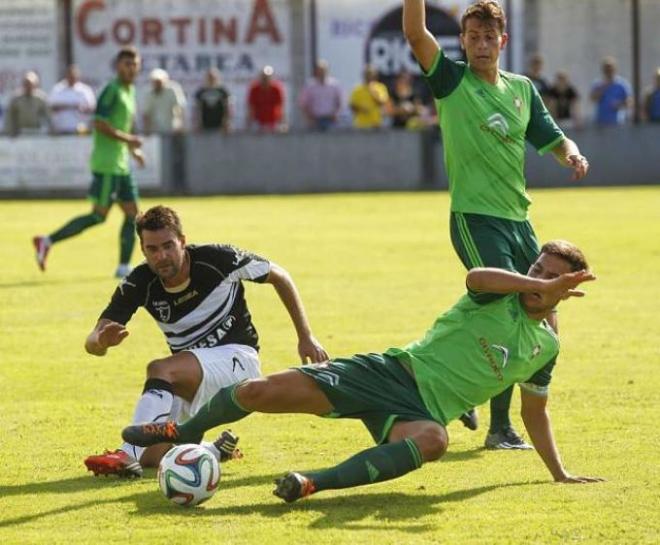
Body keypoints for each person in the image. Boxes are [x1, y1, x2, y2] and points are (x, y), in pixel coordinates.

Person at [123, 240, 604, 502]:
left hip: (420, 413)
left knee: (435, 442)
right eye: (538, 269)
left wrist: (558, 473)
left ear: (570, 291)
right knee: (256, 392)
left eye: (550, 276)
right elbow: (475, 276)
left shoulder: (545, 347)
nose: (539, 280)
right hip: (388, 372)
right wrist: (533, 280)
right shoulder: (499, 292)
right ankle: (181, 429)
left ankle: (311, 482)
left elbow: (535, 412)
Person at [402, 0, 590, 449]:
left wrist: (572, 154)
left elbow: (553, 136)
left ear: (502, 41)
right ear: (462, 42)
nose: (482, 45)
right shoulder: (451, 81)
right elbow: (415, 33)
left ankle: (463, 386)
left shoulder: (522, 89)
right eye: (473, 37)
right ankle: (499, 427)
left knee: (541, 315)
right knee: (510, 306)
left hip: (519, 220)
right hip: (475, 218)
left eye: (490, 37)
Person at [84, 205, 328, 477]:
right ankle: (214, 450)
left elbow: (279, 275)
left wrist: (305, 336)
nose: (162, 256)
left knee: (159, 369)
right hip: (190, 378)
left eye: (168, 246)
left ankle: (125, 454)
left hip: (239, 363)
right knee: (153, 457)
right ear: (142, 250)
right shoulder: (139, 282)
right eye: (152, 249)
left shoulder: (217, 260)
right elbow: (93, 340)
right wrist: (100, 343)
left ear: (183, 242)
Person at [32, 47, 145, 279]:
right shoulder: (111, 90)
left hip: (121, 164)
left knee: (134, 215)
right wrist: (130, 140)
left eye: (134, 64)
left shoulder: (130, 90)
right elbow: (99, 123)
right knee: (98, 216)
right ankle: (47, 241)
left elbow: (122, 126)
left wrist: (133, 151)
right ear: (118, 66)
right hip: (106, 165)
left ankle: (124, 267)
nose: (131, 68)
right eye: (126, 64)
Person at [48, 64, 96, 134]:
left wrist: (82, 108)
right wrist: (68, 106)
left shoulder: (85, 90)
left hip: (81, 130)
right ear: (66, 76)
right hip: (61, 130)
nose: (72, 78)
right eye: (70, 75)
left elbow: (92, 108)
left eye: (74, 76)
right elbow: (50, 107)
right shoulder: (57, 89)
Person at [299, 60, 343, 131]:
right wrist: (309, 118)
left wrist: (336, 114)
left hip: (331, 120)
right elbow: (303, 103)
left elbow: (340, 101)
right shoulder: (309, 86)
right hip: (315, 120)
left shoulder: (334, 85)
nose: (321, 73)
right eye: (319, 70)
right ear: (316, 71)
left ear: (327, 71)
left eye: (323, 70)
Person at [4, 71, 50, 136]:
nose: (28, 86)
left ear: (35, 85)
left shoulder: (41, 98)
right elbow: (10, 117)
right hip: (19, 133)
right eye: (26, 84)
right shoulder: (16, 98)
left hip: (36, 132)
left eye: (31, 84)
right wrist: (9, 131)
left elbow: (48, 115)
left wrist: (52, 129)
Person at [590, 57, 632, 126]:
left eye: (610, 68)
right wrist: (603, 87)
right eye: (606, 68)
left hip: (617, 122)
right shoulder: (598, 84)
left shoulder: (622, 84)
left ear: (615, 69)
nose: (608, 70)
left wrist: (619, 104)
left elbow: (630, 102)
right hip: (601, 122)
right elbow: (592, 99)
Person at [142, 68, 186, 135]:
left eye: (159, 81)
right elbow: (146, 113)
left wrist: (178, 124)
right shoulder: (148, 93)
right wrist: (147, 130)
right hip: (155, 130)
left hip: (172, 129)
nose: (157, 84)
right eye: (155, 82)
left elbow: (178, 108)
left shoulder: (173, 90)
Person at [247, 66, 285, 132]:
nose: (265, 79)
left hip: (273, 121)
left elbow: (280, 107)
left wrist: (283, 123)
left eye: (267, 77)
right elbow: (251, 108)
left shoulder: (276, 89)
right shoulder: (254, 89)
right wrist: (249, 124)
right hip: (258, 122)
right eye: (264, 77)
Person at [194, 68, 231, 133]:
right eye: (209, 77)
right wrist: (197, 123)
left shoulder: (223, 91)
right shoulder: (201, 92)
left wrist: (227, 122)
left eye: (213, 77)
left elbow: (227, 108)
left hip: (220, 126)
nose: (211, 79)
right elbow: (197, 109)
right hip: (205, 125)